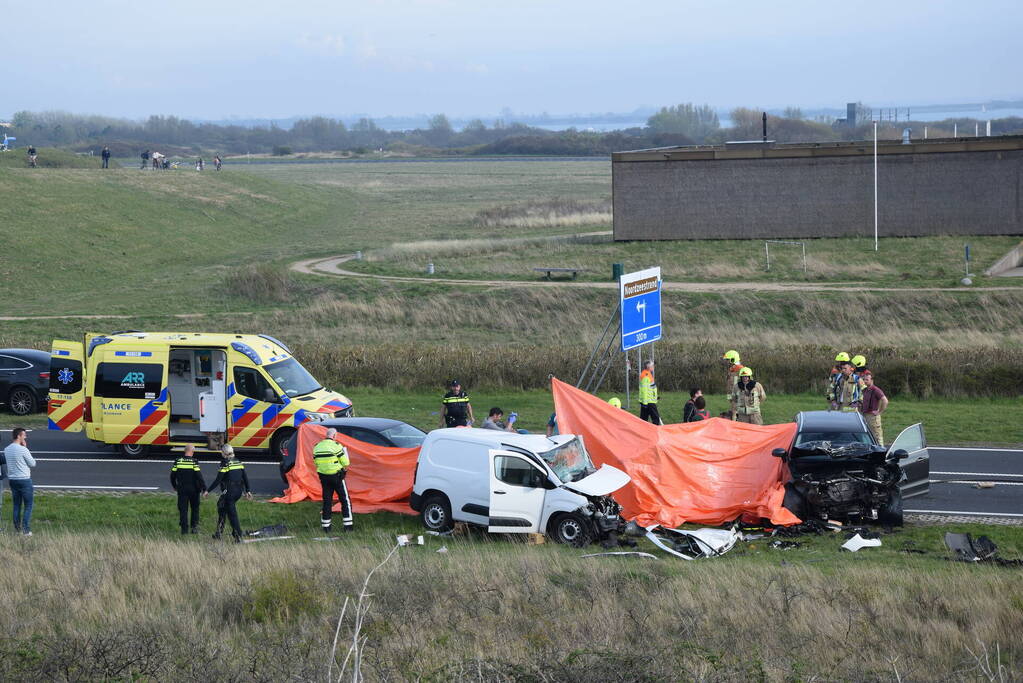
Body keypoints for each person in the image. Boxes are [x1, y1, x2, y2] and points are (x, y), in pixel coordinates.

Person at [206, 445, 251, 542]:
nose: (221, 453)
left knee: (231, 513)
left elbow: (218, 480)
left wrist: (207, 491)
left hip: (230, 491)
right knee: (222, 508)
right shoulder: (238, 461)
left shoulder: (225, 463)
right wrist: (248, 490)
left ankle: (238, 535)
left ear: (224, 453)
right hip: (238, 491)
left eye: (221, 452)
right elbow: (245, 477)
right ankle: (218, 533)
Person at [313, 428, 352, 533]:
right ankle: (348, 527)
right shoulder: (336, 446)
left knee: (327, 501)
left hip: (324, 477)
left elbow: (316, 461)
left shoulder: (317, 447)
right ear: (334, 436)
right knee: (344, 500)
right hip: (337, 477)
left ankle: (326, 527)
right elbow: (346, 463)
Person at [4, 428, 36, 535]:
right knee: (28, 505)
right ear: (19, 436)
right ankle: (26, 530)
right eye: (24, 435)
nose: (25, 437)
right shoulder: (23, 449)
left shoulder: (6, 449)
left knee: (16, 505)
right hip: (24, 480)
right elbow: (32, 463)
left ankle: (17, 529)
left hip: (12, 480)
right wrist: (26, 448)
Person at [170, 444, 207, 534]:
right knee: (195, 509)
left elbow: (172, 475)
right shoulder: (194, 462)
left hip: (182, 489)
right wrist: (204, 489)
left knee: (183, 509)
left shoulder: (178, 461)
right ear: (192, 452)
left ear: (185, 451)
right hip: (194, 490)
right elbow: (199, 476)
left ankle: (184, 530)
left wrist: (175, 486)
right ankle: (194, 528)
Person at [859, 371, 889, 445]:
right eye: (864, 380)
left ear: (872, 380)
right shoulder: (865, 390)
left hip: (873, 417)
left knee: (877, 436)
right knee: (868, 436)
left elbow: (885, 401)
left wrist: (879, 412)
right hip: (865, 415)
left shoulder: (876, 390)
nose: (865, 381)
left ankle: (881, 452)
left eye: (867, 380)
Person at [721, 350, 744, 420]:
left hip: (738, 397)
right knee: (734, 413)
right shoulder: (732, 369)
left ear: (733, 359)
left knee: (735, 414)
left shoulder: (741, 370)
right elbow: (730, 383)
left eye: (728, 360)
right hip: (733, 396)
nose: (727, 362)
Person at [638, 360, 661, 424]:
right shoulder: (646, 375)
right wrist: (645, 403)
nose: (653, 367)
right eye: (652, 365)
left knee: (643, 420)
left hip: (648, 401)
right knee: (656, 419)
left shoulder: (647, 373)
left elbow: (651, 388)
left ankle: (643, 431)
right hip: (649, 401)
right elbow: (644, 390)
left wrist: (655, 396)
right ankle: (653, 432)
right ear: (648, 367)